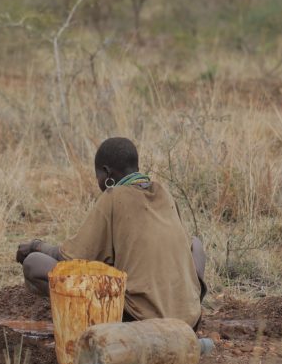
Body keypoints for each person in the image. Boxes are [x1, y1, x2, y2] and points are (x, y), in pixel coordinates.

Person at [15, 137, 207, 327]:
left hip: (140, 319)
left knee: (34, 263)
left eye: (98, 176)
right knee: (196, 244)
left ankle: (89, 323)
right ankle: (190, 304)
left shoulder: (113, 196)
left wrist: (36, 246)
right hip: (189, 319)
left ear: (107, 174)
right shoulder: (164, 193)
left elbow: (69, 257)